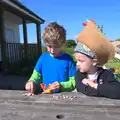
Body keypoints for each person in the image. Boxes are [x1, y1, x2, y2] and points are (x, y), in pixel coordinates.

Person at [25, 22, 76, 95]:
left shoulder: (68, 59)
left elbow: (74, 82)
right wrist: (31, 82)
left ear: (63, 43)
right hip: (46, 97)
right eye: (49, 46)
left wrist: (61, 85)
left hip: (64, 98)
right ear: (45, 43)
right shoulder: (43, 58)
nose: (52, 50)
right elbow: (36, 75)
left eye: (56, 46)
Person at [74, 20, 120, 99]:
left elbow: (117, 91)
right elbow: (86, 90)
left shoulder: (106, 74)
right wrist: (106, 91)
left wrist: (94, 85)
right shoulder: (79, 75)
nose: (77, 64)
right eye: (77, 60)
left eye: (81, 61)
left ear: (94, 62)